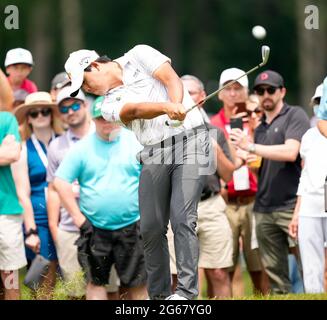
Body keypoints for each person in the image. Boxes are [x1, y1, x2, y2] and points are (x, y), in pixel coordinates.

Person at [63, 44, 211, 300]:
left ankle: (186, 293)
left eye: (84, 82)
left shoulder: (139, 54)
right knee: (151, 226)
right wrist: (167, 107)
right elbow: (133, 110)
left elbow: (170, 78)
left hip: (191, 141)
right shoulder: (107, 103)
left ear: (95, 66)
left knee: (182, 217)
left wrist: (176, 105)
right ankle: (160, 297)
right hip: (153, 151)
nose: (86, 90)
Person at [53, 100, 147, 300]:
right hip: (94, 229)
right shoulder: (82, 148)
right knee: (96, 282)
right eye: (101, 118)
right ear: (93, 119)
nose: (107, 123)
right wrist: (79, 219)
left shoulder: (135, 142)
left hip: (132, 226)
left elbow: (153, 177)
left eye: (111, 117)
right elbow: (60, 182)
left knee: (137, 284)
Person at [230, 70, 310, 294]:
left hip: (292, 206)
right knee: (277, 282)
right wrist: (247, 157)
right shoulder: (260, 127)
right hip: (264, 208)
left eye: (270, 90)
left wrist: (251, 147)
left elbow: (290, 152)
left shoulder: (295, 115)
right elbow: (263, 169)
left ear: (282, 92)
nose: (265, 94)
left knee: (310, 271)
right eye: (260, 91)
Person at [167, 74, 235, 299]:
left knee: (218, 272)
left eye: (192, 93)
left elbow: (228, 174)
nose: (187, 98)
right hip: (177, 207)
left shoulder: (214, 131)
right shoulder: (165, 131)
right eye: (182, 93)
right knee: (177, 276)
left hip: (211, 205)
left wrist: (213, 148)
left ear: (203, 97)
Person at [210, 68, 266, 295]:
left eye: (237, 88)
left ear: (245, 92)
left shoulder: (258, 120)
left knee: (258, 267)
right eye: (228, 89)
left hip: (255, 200)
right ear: (220, 94)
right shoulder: (213, 124)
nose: (233, 94)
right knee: (223, 267)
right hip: (225, 202)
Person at [12, 92, 62, 299]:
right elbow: (22, 193)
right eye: (34, 113)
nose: (40, 115)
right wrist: (31, 230)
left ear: (51, 114)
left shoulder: (67, 142)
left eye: (44, 111)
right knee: (44, 273)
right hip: (39, 218)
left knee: (75, 274)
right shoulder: (23, 149)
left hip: (68, 215)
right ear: (28, 119)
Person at [0, 111, 26, 300]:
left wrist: (6, 152)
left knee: (11, 282)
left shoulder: (6, 119)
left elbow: (12, 153)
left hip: (5, 213)